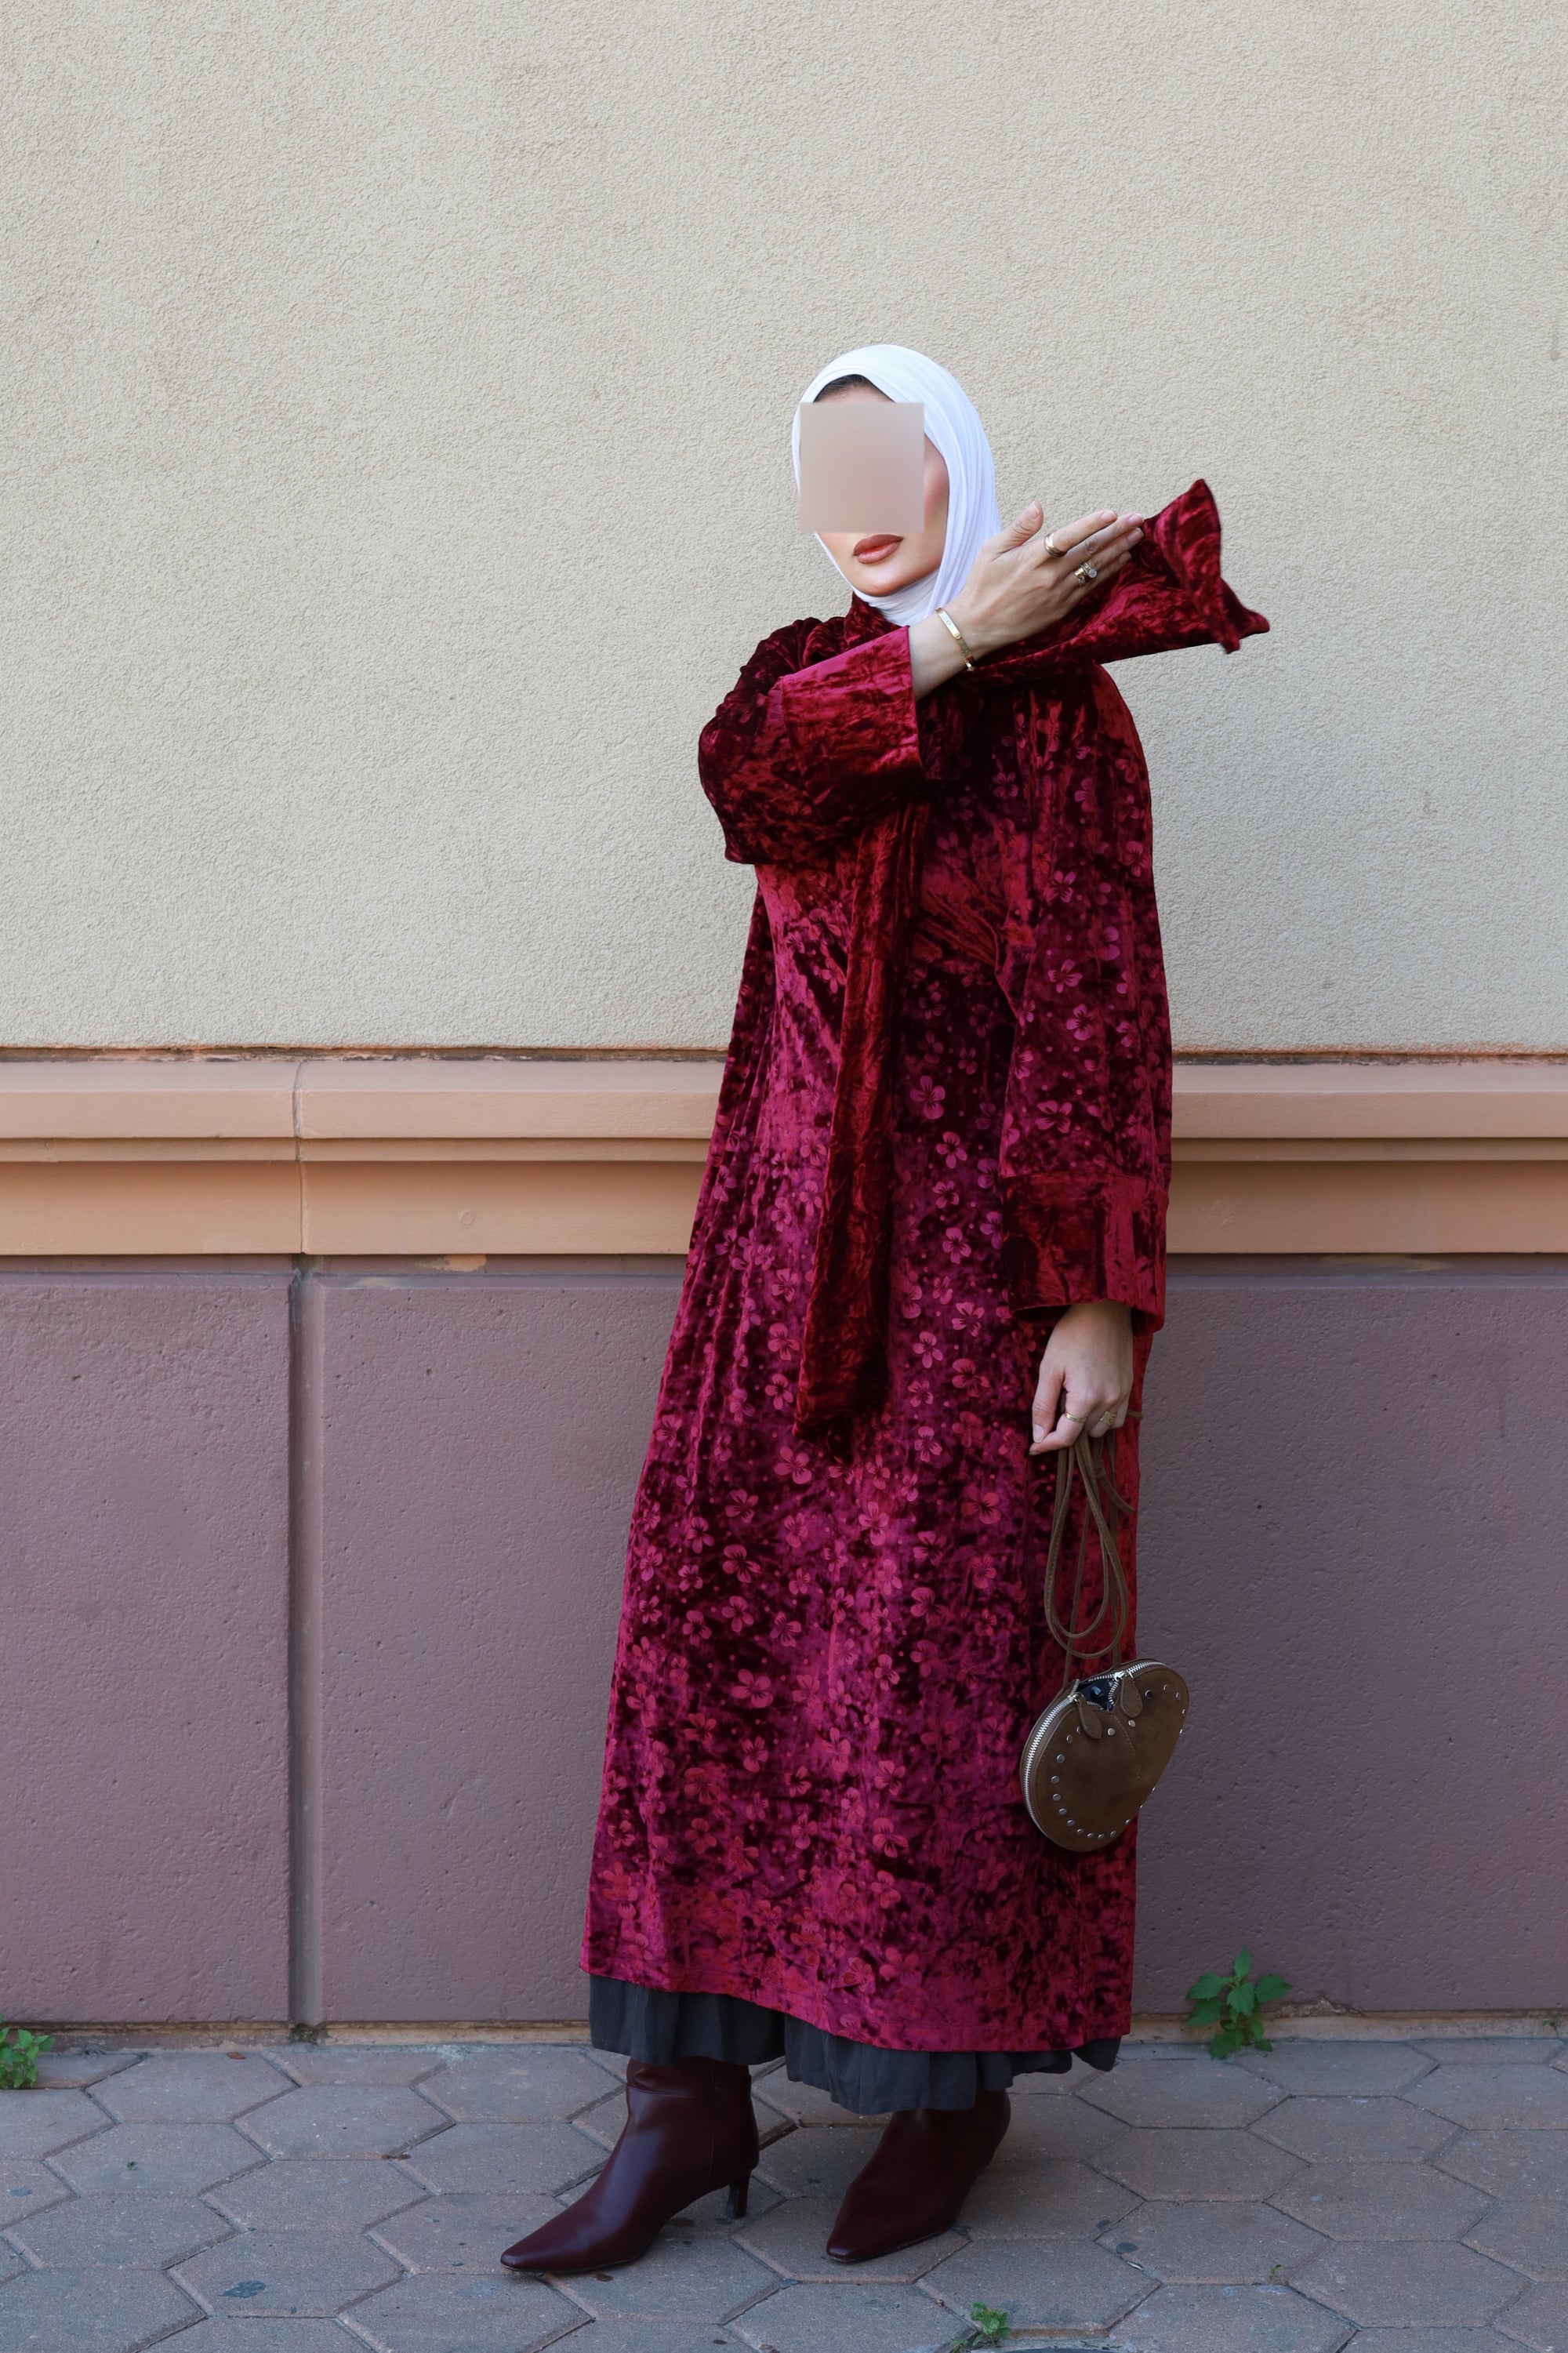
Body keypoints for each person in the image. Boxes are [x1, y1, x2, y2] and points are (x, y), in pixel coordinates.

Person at [503, 343, 1266, 2276]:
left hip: (973, 1287)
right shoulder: (801, 682)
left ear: (956, 466)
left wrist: (1094, 1300)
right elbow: (743, 786)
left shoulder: (1067, 719)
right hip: (772, 1276)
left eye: (887, 456)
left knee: (930, 1687)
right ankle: (681, 2109)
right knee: (716, 1667)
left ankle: (948, 2098)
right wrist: (944, 646)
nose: (853, 498)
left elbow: (1099, 1010)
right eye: (822, 463)